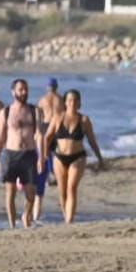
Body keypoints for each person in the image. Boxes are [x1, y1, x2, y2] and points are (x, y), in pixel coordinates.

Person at [42, 89, 104, 224]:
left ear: (79, 103)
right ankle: (66, 217)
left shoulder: (84, 120)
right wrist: (43, 156)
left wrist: (99, 158)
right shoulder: (57, 117)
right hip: (59, 157)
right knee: (62, 191)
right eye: (70, 100)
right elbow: (47, 138)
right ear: (65, 102)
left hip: (78, 157)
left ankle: (69, 221)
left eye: (75, 100)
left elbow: (92, 140)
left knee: (72, 188)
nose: (72, 103)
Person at [0, 79, 42, 228]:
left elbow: (39, 134)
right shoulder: (5, 112)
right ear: (13, 91)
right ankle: (12, 225)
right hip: (10, 155)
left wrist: (41, 157)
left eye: (26, 89)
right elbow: (0, 136)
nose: (24, 92)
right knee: (10, 193)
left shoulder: (35, 111)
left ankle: (26, 215)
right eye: (21, 89)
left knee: (31, 195)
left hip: (29, 154)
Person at [33, 78, 62, 222]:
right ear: (56, 87)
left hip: (45, 127)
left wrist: (37, 132)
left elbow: (38, 117)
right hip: (56, 127)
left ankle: (47, 173)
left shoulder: (42, 100)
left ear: (47, 87)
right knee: (57, 153)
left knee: (44, 154)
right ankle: (53, 173)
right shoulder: (61, 99)